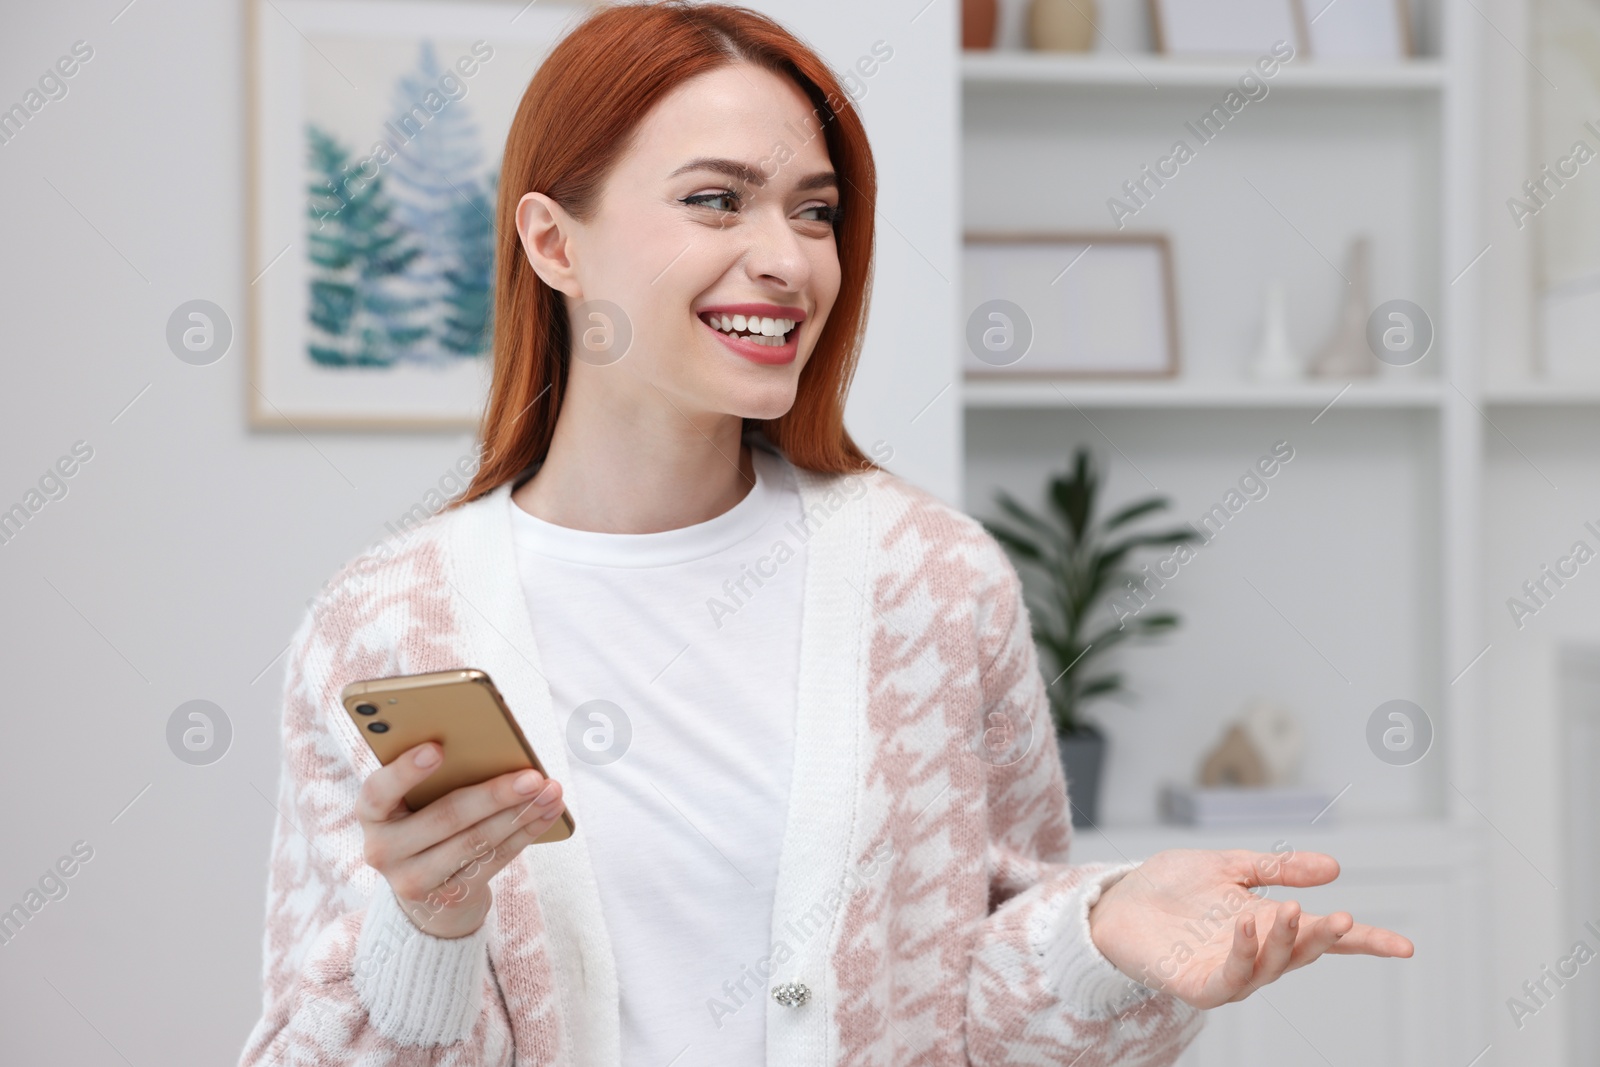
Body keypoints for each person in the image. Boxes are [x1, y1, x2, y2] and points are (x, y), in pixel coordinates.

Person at [238, 4, 1413, 1064]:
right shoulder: (383, 624)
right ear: (554, 243)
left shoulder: (930, 581)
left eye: (815, 211)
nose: (788, 258)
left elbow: (984, 1003)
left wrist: (1102, 935)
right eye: (715, 198)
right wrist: (427, 929)